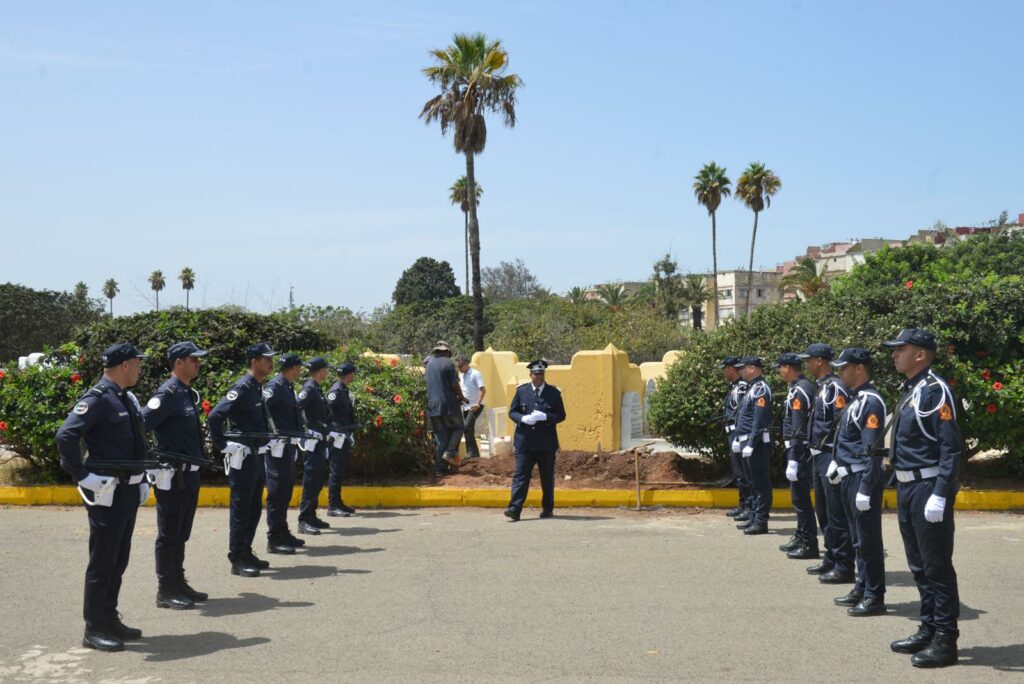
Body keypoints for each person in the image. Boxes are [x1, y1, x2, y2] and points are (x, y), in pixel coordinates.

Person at [56, 343, 149, 652]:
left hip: (126, 489)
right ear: (124, 365)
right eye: (137, 363)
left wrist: (142, 479)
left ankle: (109, 618)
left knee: (118, 559)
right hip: (106, 492)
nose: (139, 368)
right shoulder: (98, 399)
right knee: (103, 560)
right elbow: (66, 436)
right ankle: (94, 628)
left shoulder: (124, 397)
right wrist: (83, 476)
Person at [883, 328, 963, 668]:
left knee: (937, 567)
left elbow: (950, 448)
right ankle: (928, 627)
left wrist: (941, 494)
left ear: (920, 355)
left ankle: (946, 640)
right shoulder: (912, 389)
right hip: (907, 487)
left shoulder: (935, 391)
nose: (894, 354)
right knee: (918, 566)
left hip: (928, 488)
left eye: (901, 349)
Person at [141, 341, 209, 611]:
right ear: (178, 362)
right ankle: (165, 589)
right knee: (169, 533)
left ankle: (178, 582)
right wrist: (153, 460)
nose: (198, 363)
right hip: (172, 475)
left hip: (189, 474)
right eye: (193, 359)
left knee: (181, 532)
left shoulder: (185, 393)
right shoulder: (167, 394)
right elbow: (139, 426)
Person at [207, 341, 277, 577]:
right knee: (241, 508)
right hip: (243, 457)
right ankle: (237, 557)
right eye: (266, 359)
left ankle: (246, 551)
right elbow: (215, 417)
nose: (271, 362)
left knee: (254, 507)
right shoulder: (243, 387)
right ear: (254, 361)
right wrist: (224, 445)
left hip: (256, 456)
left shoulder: (257, 387)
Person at [829, 347, 888, 616]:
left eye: (844, 367)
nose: (840, 372)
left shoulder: (870, 401)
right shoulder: (856, 399)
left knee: (868, 540)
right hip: (848, 474)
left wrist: (866, 486)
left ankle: (874, 595)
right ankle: (862, 586)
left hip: (861, 478)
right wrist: (837, 461)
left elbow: (872, 450)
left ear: (859, 369)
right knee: (856, 538)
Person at [799, 343, 856, 584]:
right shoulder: (823, 387)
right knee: (823, 511)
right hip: (818, 454)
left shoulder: (835, 387)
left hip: (829, 455)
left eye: (809, 360)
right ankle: (831, 557)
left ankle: (843, 564)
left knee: (835, 514)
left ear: (820, 361)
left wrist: (836, 458)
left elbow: (840, 423)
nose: (807, 364)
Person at [504, 360, 566, 521]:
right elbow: (512, 412)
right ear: (530, 375)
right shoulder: (522, 391)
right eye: (535, 374)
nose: (538, 377)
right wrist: (523, 419)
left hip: (546, 443)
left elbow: (561, 415)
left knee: (547, 477)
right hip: (525, 442)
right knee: (520, 476)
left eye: (541, 374)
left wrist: (546, 417)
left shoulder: (553, 393)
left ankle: (547, 508)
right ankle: (514, 509)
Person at [262, 353, 307, 554]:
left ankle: (282, 531)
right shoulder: (275, 387)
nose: (301, 371)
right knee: (277, 492)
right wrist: (270, 438)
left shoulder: (287, 386)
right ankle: (274, 538)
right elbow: (262, 411)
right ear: (292, 368)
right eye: (299, 367)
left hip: (288, 445)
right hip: (277, 448)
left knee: (286, 490)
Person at [775, 352, 819, 559]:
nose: (779, 372)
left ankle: (809, 542)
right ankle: (801, 535)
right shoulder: (797, 388)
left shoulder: (801, 390)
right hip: (796, 448)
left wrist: (793, 456)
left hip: (799, 450)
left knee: (801, 498)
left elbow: (799, 426)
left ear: (789, 368)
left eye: (780, 367)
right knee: (797, 498)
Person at [731, 356, 773, 535]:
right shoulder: (751, 388)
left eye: (744, 368)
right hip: (746, 440)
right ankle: (755, 516)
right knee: (752, 483)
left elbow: (759, 419)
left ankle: (761, 521)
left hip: (755, 444)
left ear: (754, 369)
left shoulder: (761, 389)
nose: (740, 371)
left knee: (760, 484)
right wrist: (738, 439)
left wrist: (751, 443)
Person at [296, 356, 333, 534]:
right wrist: (305, 427)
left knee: (317, 479)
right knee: (311, 480)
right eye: (325, 369)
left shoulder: (316, 388)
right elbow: (297, 407)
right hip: (312, 440)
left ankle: (311, 515)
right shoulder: (309, 388)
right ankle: (304, 520)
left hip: (320, 439)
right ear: (320, 371)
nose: (326, 372)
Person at [425, 341, 466, 475]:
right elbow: (454, 384)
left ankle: (439, 469)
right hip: (448, 404)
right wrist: (462, 397)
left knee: (441, 439)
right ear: (447, 352)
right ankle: (449, 453)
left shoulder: (429, 364)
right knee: (460, 427)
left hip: (433, 405)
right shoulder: (448, 363)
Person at [325, 361, 359, 516]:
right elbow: (327, 411)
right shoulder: (336, 391)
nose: (354, 375)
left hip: (344, 435)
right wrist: (335, 429)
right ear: (348, 374)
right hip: (337, 436)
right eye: (353, 373)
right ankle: (333, 505)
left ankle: (338, 502)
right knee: (335, 471)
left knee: (339, 471)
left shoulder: (343, 389)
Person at [720, 357, 751, 520]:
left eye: (725, 368)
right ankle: (743, 504)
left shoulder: (742, 388)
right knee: (738, 471)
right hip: (731, 431)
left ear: (732, 369)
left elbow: (741, 414)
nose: (724, 372)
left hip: (737, 432)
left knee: (742, 472)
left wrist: (738, 436)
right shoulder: (735, 387)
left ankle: (748, 506)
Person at [456, 355, 486, 460]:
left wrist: (477, 404)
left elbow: (483, 390)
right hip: (466, 406)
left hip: (475, 406)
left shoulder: (475, 374)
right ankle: (475, 454)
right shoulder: (461, 374)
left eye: (460, 366)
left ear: (467, 364)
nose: (459, 368)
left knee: (467, 427)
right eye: (458, 367)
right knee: (469, 429)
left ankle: (470, 453)